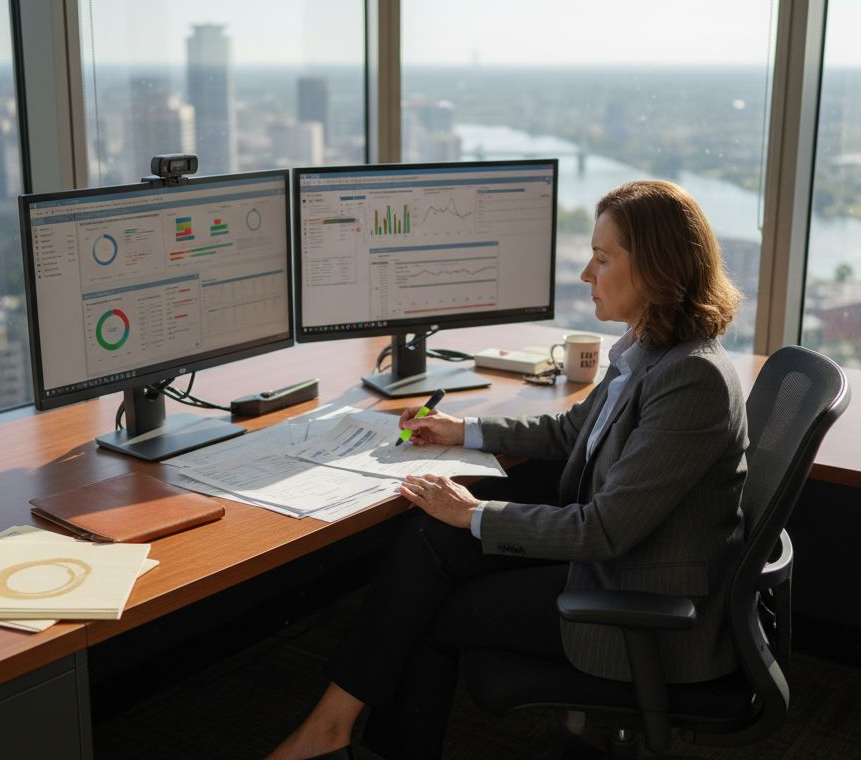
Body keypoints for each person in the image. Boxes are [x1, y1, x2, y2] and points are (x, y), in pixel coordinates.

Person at [267, 180, 748, 760]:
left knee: (437, 606)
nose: (585, 275)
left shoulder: (691, 378)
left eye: (602, 258)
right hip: (616, 561)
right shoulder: (649, 346)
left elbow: (604, 530)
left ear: (655, 267)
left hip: (639, 600)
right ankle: (332, 733)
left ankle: (348, 741)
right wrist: (462, 431)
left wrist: (473, 511)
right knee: (430, 536)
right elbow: (573, 432)